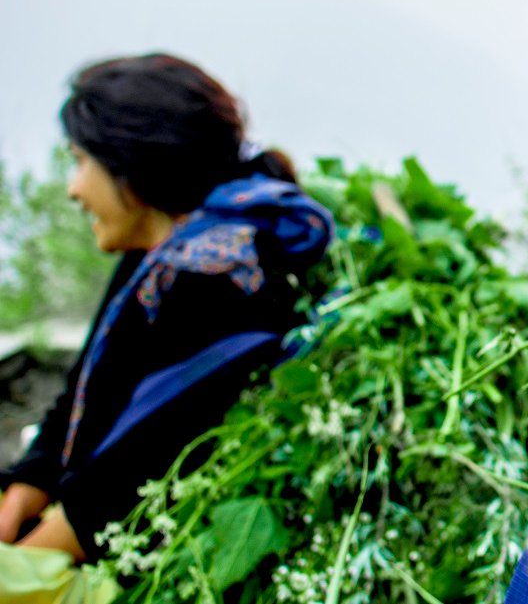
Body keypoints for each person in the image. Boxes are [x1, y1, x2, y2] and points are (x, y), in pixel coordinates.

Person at [0, 54, 332, 600]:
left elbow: (133, 473)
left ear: (131, 170)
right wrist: (26, 489)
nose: (72, 189)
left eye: (81, 162)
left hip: (130, 553)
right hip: (85, 518)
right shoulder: (160, 250)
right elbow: (84, 385)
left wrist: (23, 561)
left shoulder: (216, 275)